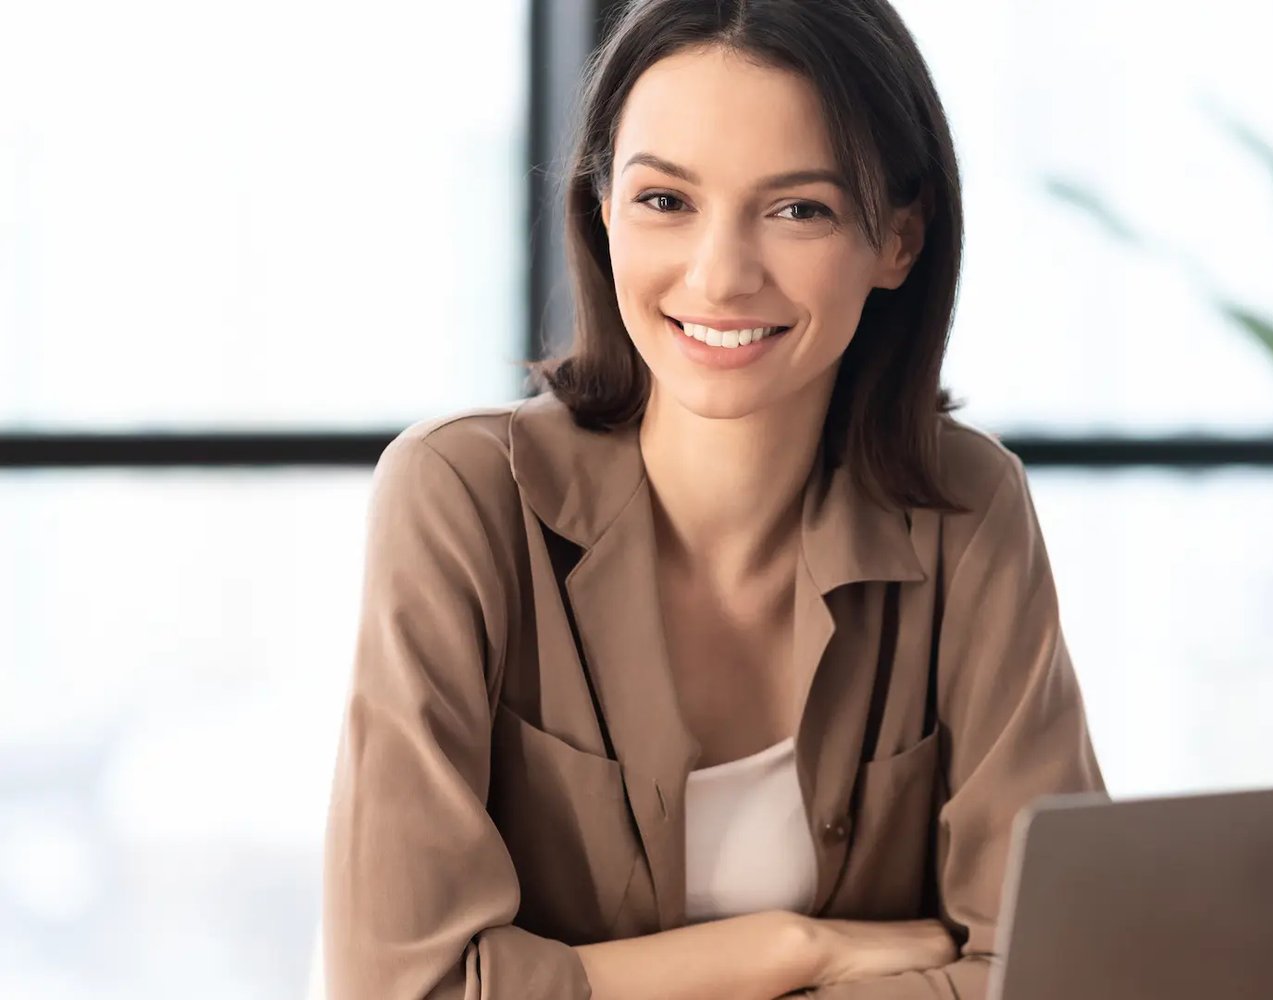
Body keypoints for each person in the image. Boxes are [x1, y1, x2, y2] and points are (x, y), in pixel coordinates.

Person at [317, 1, 1105, 997]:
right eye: (664, 201)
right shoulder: (460, 498)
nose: (720, 274)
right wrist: (790, 951)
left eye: (797, 209)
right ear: (601, 210)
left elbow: (1055, 970)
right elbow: (400, 987)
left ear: (897, 239)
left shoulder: (965, 509)